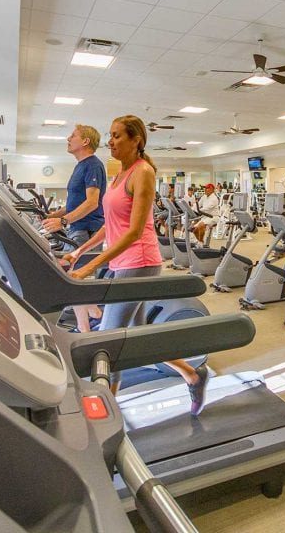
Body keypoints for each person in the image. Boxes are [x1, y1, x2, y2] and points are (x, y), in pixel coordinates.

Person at [61, 115, 209, 416]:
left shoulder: (143, 172)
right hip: (122, 261)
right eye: (110, 135)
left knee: (110, 340)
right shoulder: (119, 174)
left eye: (117, 136)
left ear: (135, 140)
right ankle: (192, 375)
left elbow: (134, 231)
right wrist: (81, 251)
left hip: (139, 262)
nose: (111, 141)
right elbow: (111, 226)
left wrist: (90, 268)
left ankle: (108, 411)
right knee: (137, 333)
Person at [42, 124, 105, 332]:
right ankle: (90, 320)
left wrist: (63, 222)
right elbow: (74, 204)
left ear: (85, 141)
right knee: (73, 278)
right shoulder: (80, 166)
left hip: (86, 229)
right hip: (77, 227)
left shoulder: (93, 165)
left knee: (72, 278)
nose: (68, 138)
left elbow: (92, 202)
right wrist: (53, 216)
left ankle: (90, 321)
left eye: (73, 135)